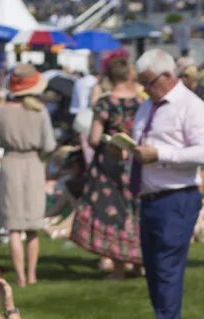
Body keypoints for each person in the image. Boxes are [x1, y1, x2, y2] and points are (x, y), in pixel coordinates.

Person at [128, 49, 204, 319]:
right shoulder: (146, 107)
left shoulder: (192, 107)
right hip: (150, 197)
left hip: (177, 197)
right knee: (153, 269)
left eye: (148, 83)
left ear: (167, 77)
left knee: (166, 268)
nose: (145, 90)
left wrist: (161, 155)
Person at [71, 57, 142, 278]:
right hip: (137, 161)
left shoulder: (104, 103)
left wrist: (108, 140)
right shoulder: (141, 102)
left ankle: (118, 268)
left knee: (115, 211)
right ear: (129, 74)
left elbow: (93, 138)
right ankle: (141, 264)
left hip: (110, 164)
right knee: (136, 211)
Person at [0, 64, 56, 287]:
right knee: (33, 225)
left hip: (10, 164)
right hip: (34, 164)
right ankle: (32, 275)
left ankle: (20, 277)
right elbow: (49, 144)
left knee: (14, 226)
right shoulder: (40, 111)